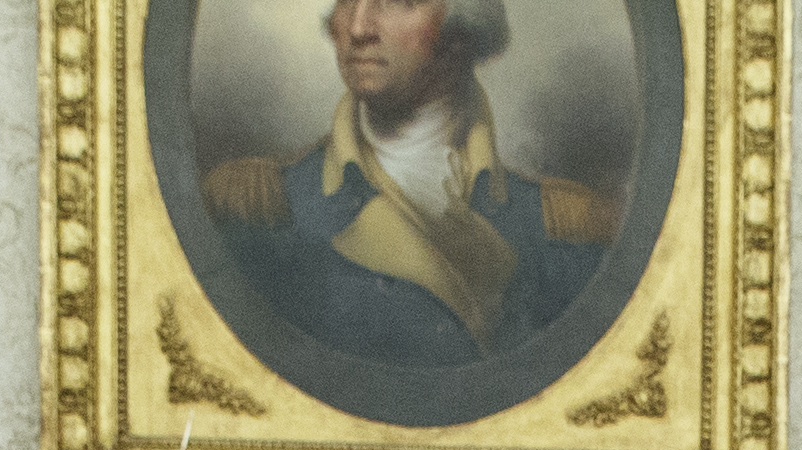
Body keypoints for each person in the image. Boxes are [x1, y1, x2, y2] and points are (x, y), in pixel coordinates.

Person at [197, 0, 612, 373]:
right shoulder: (260, 209)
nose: (359, 27)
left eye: (397, 1)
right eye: (346, 0)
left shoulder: (562, 229)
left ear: (461, 30)